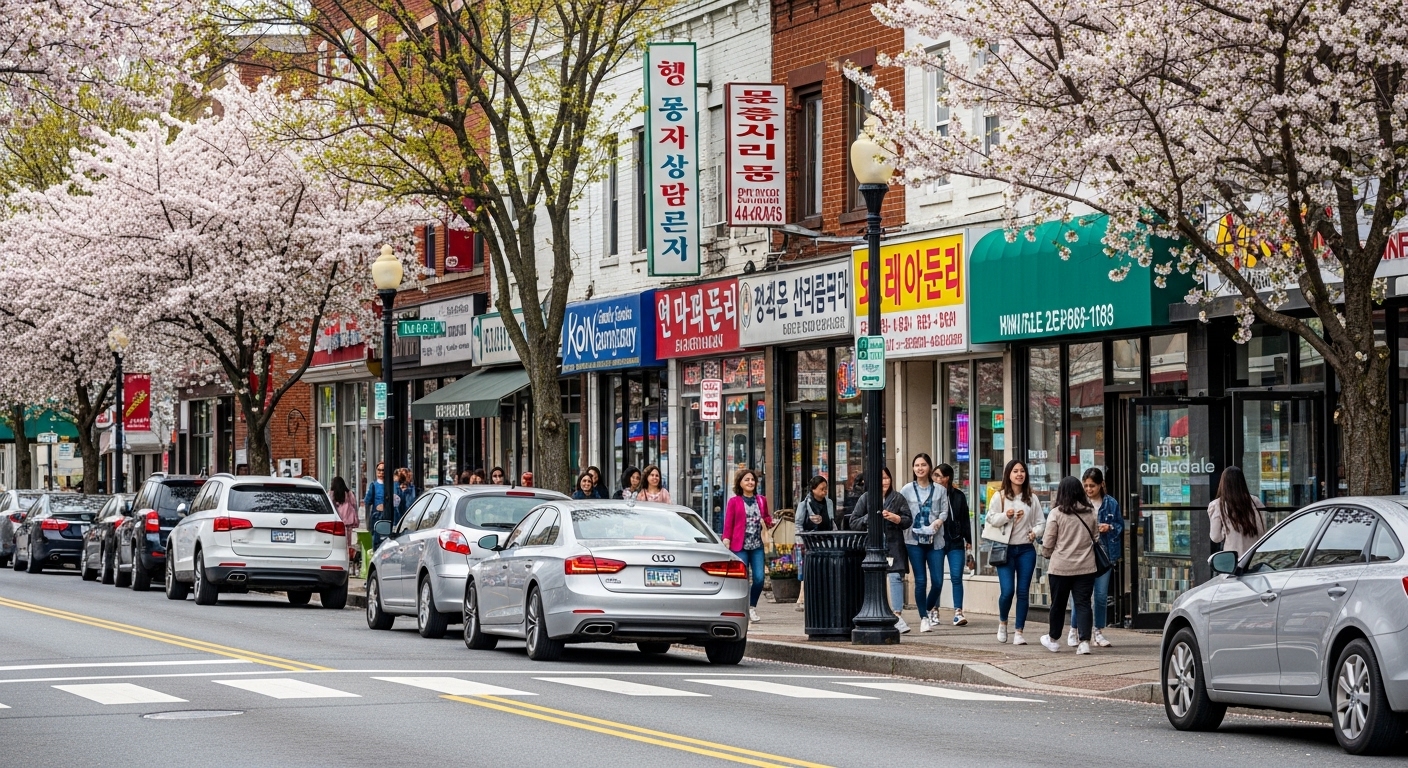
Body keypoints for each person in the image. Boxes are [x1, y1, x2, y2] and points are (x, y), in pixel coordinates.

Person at [981, 459, 1044, 645]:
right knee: (1007, 591)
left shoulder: (1032, 498)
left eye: (1022, 471)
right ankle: (1003, 622)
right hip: (1005, 549)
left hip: (1026, 549)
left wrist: (1035, 533)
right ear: (1008, 474)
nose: (1019, 474)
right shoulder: (1000, 496)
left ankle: (1019, 631)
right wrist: (1006, 516)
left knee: (1023, 591)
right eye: (1015, 471)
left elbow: (1041, 522)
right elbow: (990, 518)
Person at [847, 467, 913, 633]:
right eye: (881, 478)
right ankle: (876, 612)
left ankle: (897, 615)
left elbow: (908, 520)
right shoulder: (866, 498)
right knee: (874, 578)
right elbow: (853, 522)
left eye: (887, 478)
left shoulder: (897, 498)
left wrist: (897, 518)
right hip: (872, 544)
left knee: (895, 576)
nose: (884, 482)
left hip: (893, 543)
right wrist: (869, 518)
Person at [1040, 476, 1100, 655]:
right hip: (1086, 566)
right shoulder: (1090, 512)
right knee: (1083, 604)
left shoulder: (1056, 513)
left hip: (1060, 567)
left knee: (1058, 604)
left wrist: (1046, 553)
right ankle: (1084, 642)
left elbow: (1048, 541)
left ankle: (1053, 639)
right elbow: (1096, 537)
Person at [1068, 467, 1122, 648]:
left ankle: (1097, 631)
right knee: (1081, 595)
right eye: (1086, 486)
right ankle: (1074, 629)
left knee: (1100, 595)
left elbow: (1120, 525)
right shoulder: (1078, 503)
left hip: (1104, 554)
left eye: (1092, 486)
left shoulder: (1111, 503)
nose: (1089, 489)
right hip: (1082, 553)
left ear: (1101, 485)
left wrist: (1110, 527)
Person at [900, 453, 949, 633]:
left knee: (937, 582)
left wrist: (939, 521)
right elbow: (902, 511)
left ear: (929, 467)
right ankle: (923, 618)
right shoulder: (906, 490)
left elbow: (944, 511)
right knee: (920, 580)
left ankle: (927, 609)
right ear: (913, 468)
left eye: (923, 465)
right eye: (917, 465)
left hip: (935, 540)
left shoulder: (940, 490)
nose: (920, 468)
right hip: (913, 540)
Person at [722, 468, 772, 623]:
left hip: (757, 545)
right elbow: (728, 523)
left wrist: (768, 522)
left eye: (752, 480)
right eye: (747, 480)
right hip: (739, 546)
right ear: (740, 483)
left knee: (759, 578)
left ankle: (752, 607)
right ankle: (741, 608)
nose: (750, 482)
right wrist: (726, 539)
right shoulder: (734, 501)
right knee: (742, 579)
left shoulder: (761, 500)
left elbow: (767, 518)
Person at [936, 463, 971, 627]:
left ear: (947, 478)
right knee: (937, 579)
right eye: (935, 475)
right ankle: (934, 610)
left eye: (939, 476)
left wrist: (968, 539)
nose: (936, 479)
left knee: (956, 576)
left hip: (955, 540)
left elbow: (964, 519)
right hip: (936, 540)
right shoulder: (931, 494)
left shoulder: (958, 496)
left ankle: (958, 612)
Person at [794, 475, 835, 612]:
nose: (824, 492)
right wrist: (800, 542)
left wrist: (835, 537)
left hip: (826, 540)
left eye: (826, 489)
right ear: (813, 489)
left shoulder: (829, 503)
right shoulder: (804, 504)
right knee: (807, 569)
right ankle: (803, 597)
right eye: (822, 489)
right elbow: (798, 524)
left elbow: (832, 521)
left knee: (825, 568)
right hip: (809, 541)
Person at [1208, 465, 1267, 557]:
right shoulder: (1255, 501)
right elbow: (1263, 531)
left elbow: (1215, 537)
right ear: (1242, 482)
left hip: (1233, 557)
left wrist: (1227, 530)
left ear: (1223, 483)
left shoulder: (1217, 505)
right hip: (1255, 556)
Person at [330, 476, 360, 570]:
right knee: (348, 543)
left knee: (338, 542)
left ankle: (339, 560)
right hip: (348, 521)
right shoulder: (349, 493)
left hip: (337, 521)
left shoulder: (332, 494)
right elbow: (354, 506)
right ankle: (349, 561)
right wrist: (357, 519)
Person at [363, 462, 388, 548]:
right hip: (377, 519)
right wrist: (368, 523)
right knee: (377, 544)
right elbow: (367, 503)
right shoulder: (373, 485)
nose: (381, 473)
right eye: (379, 470)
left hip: (389, 518)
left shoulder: (391, 485)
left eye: (383, 470)